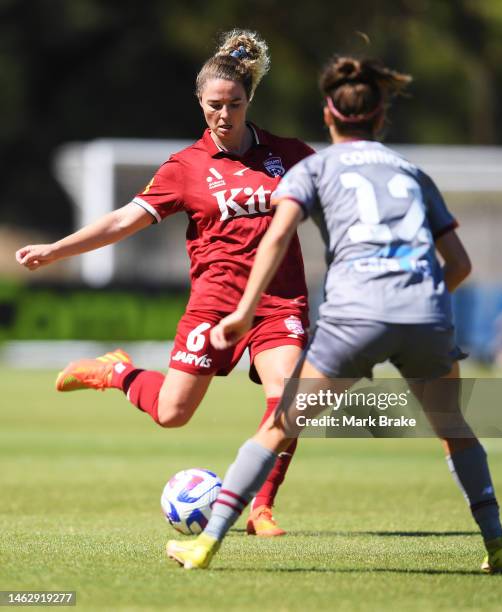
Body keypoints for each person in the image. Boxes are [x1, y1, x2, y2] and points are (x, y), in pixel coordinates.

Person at [165, 55, 502, 573]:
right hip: (425, 311)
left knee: (280, 424)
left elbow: (279, 235)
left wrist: (244, 311)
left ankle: (206, 543)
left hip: (356, 315)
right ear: (380, 119)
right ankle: (498, 546)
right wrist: (421, 304)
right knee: (455, 426)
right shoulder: (411, 172)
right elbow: (460, 264)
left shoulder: (314, 167)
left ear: (329, 117)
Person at [15, 29, 315, 537]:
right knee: (173, 414)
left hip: (278, 299)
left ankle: (261, 507)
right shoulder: (186, 168)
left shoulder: (289, 155)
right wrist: (55, 249)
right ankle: (116, 373)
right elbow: (121, 221)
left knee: (290, 397)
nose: (224, 115)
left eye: (235, 104)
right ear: (200, 102)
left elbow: (342, 194)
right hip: (215, 305)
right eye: (215, 105)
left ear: (250, 100)